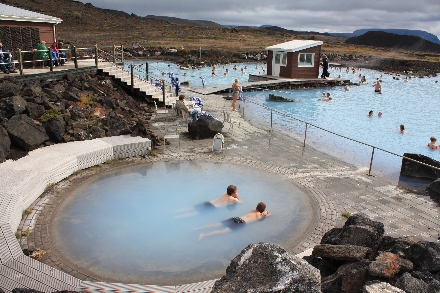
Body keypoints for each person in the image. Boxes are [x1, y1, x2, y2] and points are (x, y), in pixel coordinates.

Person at [197, 202, 271, 240]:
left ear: (256, 207)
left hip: (236, 218)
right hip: (240, 223)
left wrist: (263, 211)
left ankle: (197, 228)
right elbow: (269, 214)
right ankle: (204, 235)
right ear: (262, 210)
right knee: (222, 232)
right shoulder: (259, 216)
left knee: (216, 225)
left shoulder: (253, 210)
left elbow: (260, 211)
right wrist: (266, 212)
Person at [173, 185, 241, 218]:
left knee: (192, 208)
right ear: (233, 193)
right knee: (194, 213)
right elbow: (241, 202)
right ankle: (176, 217)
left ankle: (173, 212)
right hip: (212, 207)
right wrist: (237, 197)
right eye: (236, 191)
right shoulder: (233, 199)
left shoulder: (225, 194)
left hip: (209, 203)